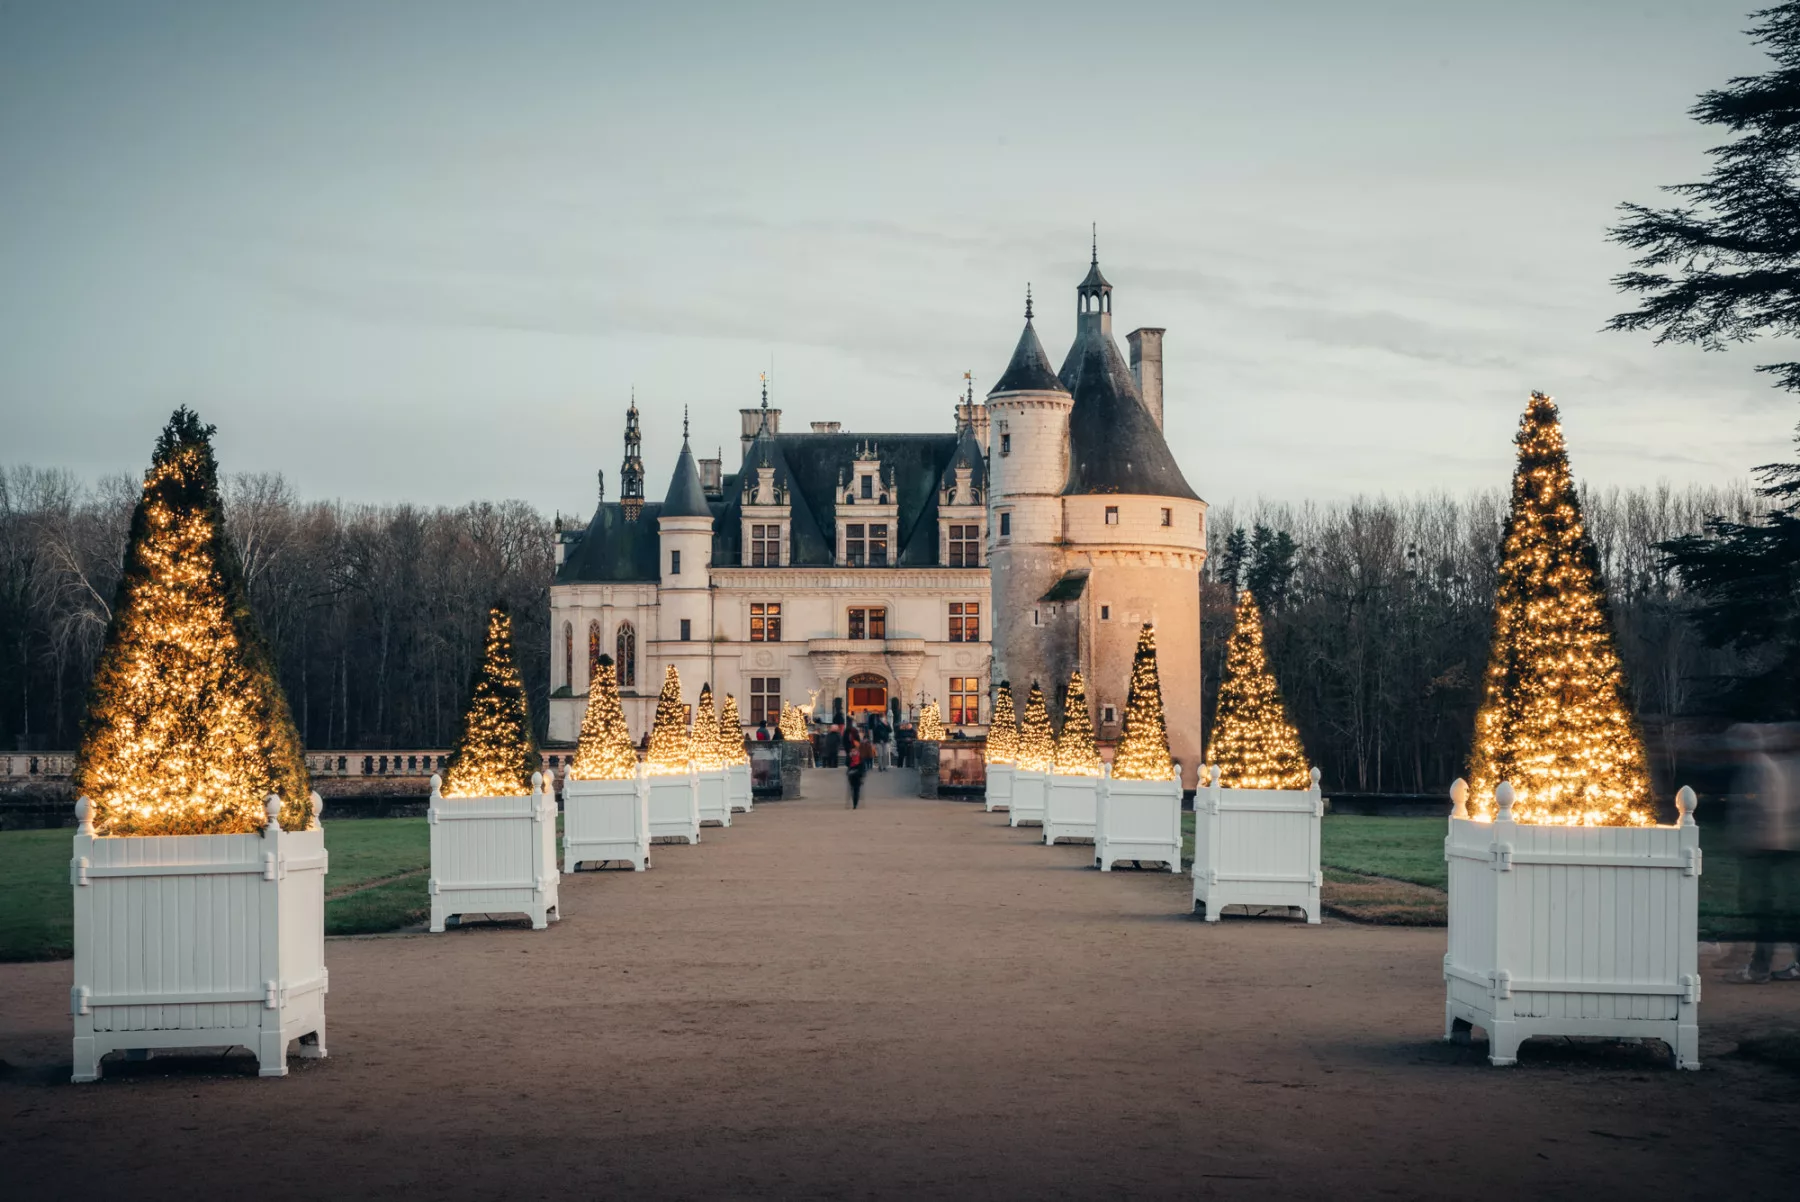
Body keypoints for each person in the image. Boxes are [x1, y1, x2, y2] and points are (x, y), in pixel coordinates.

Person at [1731, 723, 1800, 983]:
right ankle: (1759, 965)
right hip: (1776, 846)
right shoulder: (1773, 764)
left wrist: (1759, 840)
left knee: (1765, 910)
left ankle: (1759, 968)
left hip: (1768, 848)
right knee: (1776, 909)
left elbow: (1769, 807)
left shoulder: (1759, 767)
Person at [846, 726, 868, 809]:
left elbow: (863, 767)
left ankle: (855, 803)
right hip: (851, 774)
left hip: (858, 774)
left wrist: (862, 775)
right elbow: (847, 764)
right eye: (852, 751)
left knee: (856, 790)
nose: (853, 752)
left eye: (854, 751)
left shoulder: (860, 758)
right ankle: (854, 801)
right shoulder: (850, 757)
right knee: (853, 789)